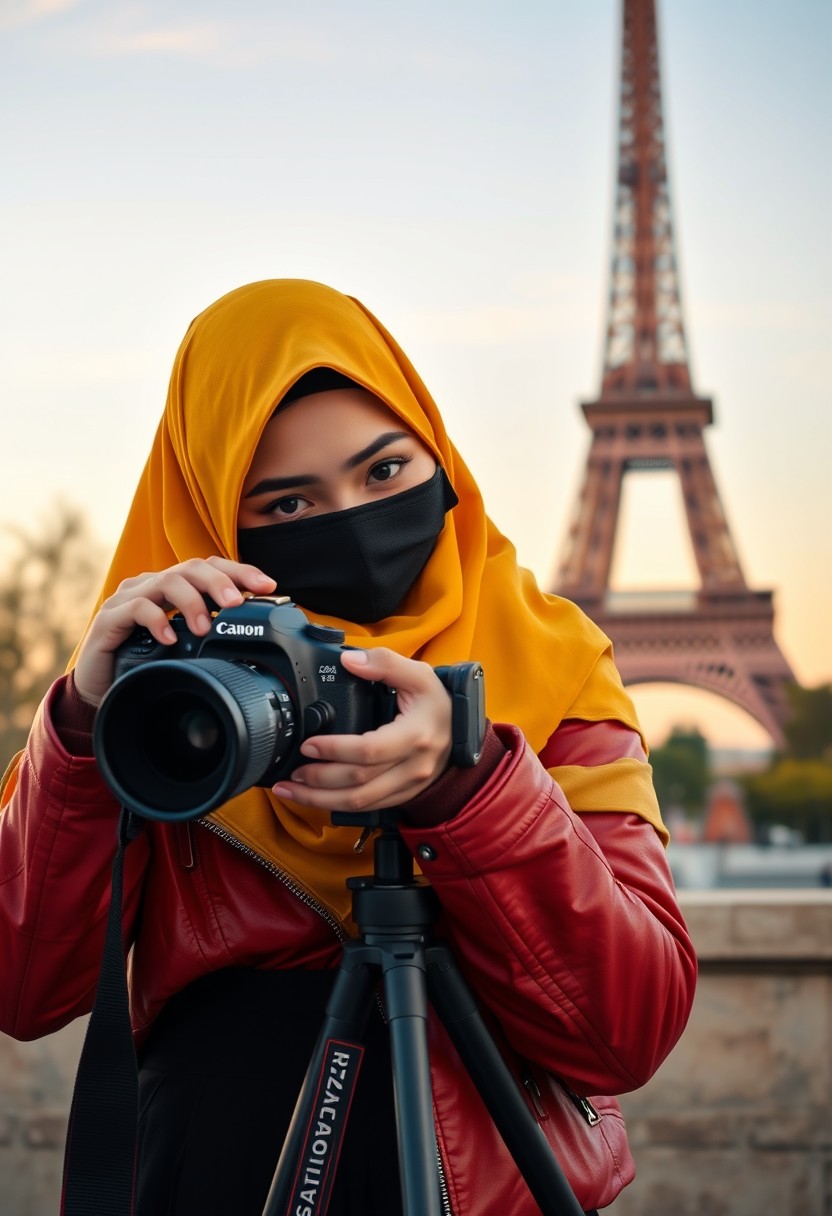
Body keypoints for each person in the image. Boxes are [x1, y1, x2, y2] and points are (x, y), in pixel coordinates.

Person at [0, 278, 697, 1215]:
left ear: (439, 454)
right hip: (216, 1175)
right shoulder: (165, 684)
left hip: (485, 1174)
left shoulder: (556, 661)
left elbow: (629, 1031)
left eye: (384, 472)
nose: (353, 523)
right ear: (212, 518)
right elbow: (24, 989)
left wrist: (472, 789)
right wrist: (91, 728)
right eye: (286, 506)